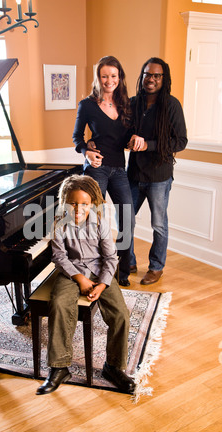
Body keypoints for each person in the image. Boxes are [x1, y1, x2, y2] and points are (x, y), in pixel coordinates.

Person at [36, 175, 135, 395]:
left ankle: (114, 367)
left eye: (84, 204)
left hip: (101, 272)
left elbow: (111, 259)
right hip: (71, 273)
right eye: (73, 203)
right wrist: (79, 278)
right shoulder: (59, 224)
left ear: (92, 203)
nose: (78, 209)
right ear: (64, 202)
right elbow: (59, 257)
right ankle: (59, 367)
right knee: (60, 303)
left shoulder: (101, 224)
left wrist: (102, 285)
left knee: (120, 314)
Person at [72, 56, 144, 287]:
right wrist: (87, 151)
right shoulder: (87, 105)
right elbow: (76, 138)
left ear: (119, 77)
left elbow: (125, 138)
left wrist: (133, 139)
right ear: (98, 77)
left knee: (127, 219)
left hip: (119, 170)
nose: (109, 80)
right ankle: (91, 267)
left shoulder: (126, 105)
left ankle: (122, 271)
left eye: (113, 76)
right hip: (97, 169)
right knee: (94, 220)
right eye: (105, 76)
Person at [127, 57, 188, 285]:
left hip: (159, 177)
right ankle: (128, 261)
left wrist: (148, 144)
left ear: (164, 78)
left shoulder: (172, 105)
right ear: (142, 76)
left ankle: (156, 267)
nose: (150, 79)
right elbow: (122, 132)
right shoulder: (133, 103)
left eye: (156, 75)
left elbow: (180, 141)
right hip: (133, 174)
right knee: (125, 219)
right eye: (147, 74)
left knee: (158, 224)